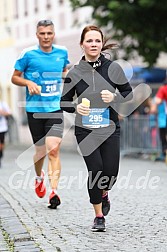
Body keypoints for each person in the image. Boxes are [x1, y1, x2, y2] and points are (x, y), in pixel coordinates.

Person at [61, 25, 132, 231]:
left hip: (109, 127)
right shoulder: (75, 72)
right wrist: (76, 108)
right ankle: (99, 216)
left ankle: (104, 192)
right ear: (82, 44)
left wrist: (114, 97)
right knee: (96, 170)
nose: (93, 44)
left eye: (97, 41)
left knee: (110, 172)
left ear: (102, 44)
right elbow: (63, 101)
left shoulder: (113, 68)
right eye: (89, 41)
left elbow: (128, 93)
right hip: (85, 130)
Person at [11, 20, 70, 209]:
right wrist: (28, 83)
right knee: (40, 152)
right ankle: (39, 177)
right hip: (35, 110)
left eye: (49, 33)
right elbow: (14, 77)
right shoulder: (28, 55)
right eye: (42, 33)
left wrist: (67, 79)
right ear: (37, 35)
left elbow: (64, 71)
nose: (46, 37)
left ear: (54, 34)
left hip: (55, 108)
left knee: (53, 149)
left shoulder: (62, 52)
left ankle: (54, 191)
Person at [154, 82, 167, 162]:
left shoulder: (163, 89)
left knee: (163, 136)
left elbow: (157, 101)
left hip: (164, 118)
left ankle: (164, 152)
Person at [0, 92, 12, 168]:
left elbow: (9, 113)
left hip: (2, 127)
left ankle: (0, 155)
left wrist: (2, 113)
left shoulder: (2, 104)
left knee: (1, 144)